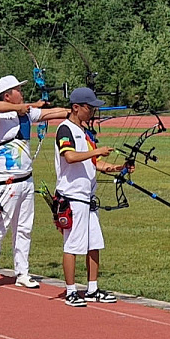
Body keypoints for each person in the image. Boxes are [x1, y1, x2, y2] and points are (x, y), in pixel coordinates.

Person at [0, 74, 67, 291]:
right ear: (8, 95)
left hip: (26, 180)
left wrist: (74, 110)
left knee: (24, 229)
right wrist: (21, 107)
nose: (22, 93)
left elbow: (51, 113)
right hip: (6, 182)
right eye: (18, 90)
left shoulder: (26, 113)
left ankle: (22, 273)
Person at [51, 88, 122, 307]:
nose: (93, 112)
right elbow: (71, 157)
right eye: (90, 108)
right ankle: (71, 291)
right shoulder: (65, 130)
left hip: (87, 198)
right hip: (72, 197)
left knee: (94, 244)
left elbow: (93, 163)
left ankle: (92, 288)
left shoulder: (84, 132)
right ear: (76, 107)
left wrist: (116, 168)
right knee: (72, 245)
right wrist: (97, 152)